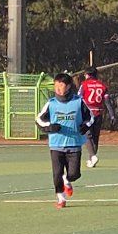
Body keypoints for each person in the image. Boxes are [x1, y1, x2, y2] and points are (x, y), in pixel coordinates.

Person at [36, 72, 94, 209]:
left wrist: (85, 125)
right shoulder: (51, 103)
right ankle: (61, 198)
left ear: (68, 86)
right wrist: (50, 127)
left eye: (61, 85)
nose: (57, 88)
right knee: (57, 174)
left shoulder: (78, 102)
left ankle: (67, 180)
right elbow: (39, 120)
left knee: (74, 174)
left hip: (74, 144)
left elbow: (91, 117)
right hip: (56, 145)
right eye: (55, 85)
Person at [79, 67, 109, 168]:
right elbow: (107, 102)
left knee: (86, 135)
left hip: (88, 113)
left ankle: (92, 156)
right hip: (99, 113)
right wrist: (112, 114)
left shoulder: (84, 85)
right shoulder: (102, 85)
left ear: (87, 74)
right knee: (95, 137)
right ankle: (91, 159)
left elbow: (79, 98)